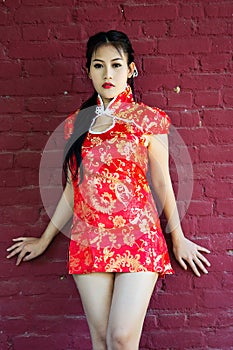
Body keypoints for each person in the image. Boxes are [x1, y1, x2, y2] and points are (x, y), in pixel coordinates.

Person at [6, 30, 211, 350]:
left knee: (120, 338)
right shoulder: (77, 123)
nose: (107, 74)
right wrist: (45, 238)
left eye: (116, 65)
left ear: (131, 69)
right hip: (89, 239)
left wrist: (178, 237)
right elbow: (75, 187)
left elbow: (161, 181)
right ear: (88, 70)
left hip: (139, 237)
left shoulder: (149, 119)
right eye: (98, 66)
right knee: (101, 342)